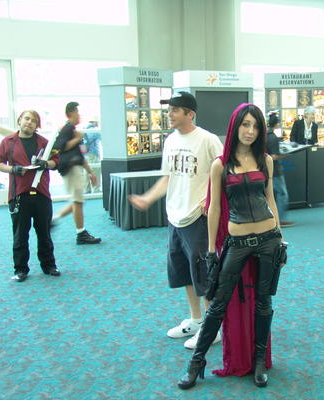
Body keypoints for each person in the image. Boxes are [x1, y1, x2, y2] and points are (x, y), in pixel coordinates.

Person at [177, 103, 287, 390]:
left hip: (268, 240)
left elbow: (270, 199)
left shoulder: (265, 160)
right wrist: (211, 250)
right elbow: (214, 208)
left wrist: (279, 236)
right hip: (236, 241)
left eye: (256, 126)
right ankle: (196, 363)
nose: (250, 131)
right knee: (218, 305)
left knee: (264, 303)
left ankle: (259, 360)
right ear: (235, 126)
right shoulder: (220, 165)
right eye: (245, 124)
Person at [129, 91, 223, 349]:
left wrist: (212, 198)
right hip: (175, 216)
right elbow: (168, 177)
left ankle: (212, 329)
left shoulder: (207, 140)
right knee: (184, 272)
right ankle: (196, 319)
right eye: (168, 109)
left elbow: (224, 172)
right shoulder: (170, 140)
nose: (169, 114)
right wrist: (148, 198)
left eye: (174, 110)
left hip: (198, 217)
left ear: (189, 114)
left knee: (203, 273)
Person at [0, 110, 60, 282]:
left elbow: (56, 162)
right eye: (27, 119)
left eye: (34, 120)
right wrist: (12, 169)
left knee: (44, 233)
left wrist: (46, 164)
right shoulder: (8, 142)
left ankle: (49, 265)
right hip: (19, 195)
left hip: (41, 194)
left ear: (37, 125)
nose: (30, 122)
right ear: (20, 121)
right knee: (20, 234)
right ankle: (20, 269)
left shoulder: (44, 143)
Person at [51, 102, 101, 244]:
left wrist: (90, 172)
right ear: (70, 114)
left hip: (75, 168)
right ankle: (81, 233)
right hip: (70, 169)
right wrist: (77, 139)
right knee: (78, 201)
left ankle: (54, 220)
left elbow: (79, 154)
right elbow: (60, 147)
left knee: (77, 201)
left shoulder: (73, 130)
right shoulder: (67, 129)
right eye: (77, 112)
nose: (79, 115)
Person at [265, 111, 294, 227]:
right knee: (282, 194)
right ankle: (280, 219)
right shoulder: (273, 138)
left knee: (270, 195)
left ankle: (272, 218)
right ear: (276, 124)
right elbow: (274, 156)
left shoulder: (265, 136)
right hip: (275, 171)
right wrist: (286, 154)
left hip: (266, 170)